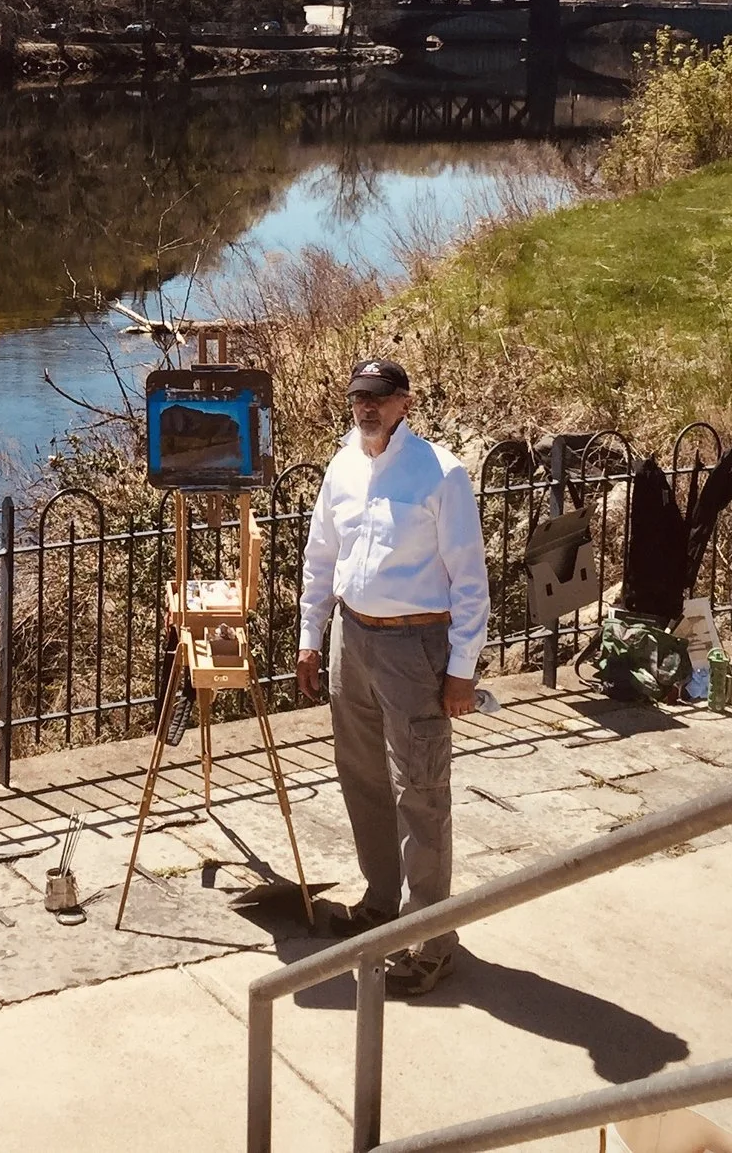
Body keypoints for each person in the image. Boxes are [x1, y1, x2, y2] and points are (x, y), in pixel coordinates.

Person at [294, 358, 488, 998]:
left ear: (405, 402)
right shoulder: (342, 466)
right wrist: (311, 638)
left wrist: (461, 671)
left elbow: (470, 580)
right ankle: (382, 906)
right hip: (352, 638)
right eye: (358, 397)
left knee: (421, 791)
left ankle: (431, 943)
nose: (367, 407)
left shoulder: (441, 473)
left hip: (414, 646)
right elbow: (320, 557)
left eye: (378, 397)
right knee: (363, 778)